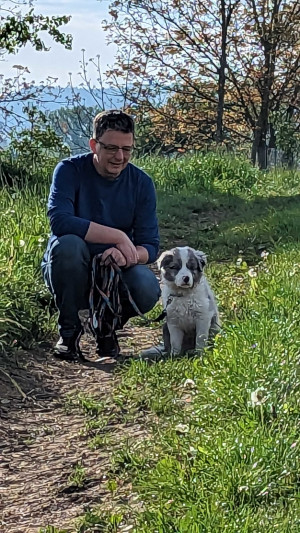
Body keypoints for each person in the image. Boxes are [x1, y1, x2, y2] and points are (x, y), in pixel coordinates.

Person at [41, 109, 160, 360]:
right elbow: (59, 221)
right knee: (68, 246)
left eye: (127, 149)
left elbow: (150, 246)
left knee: (148, 286)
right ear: (94, 145)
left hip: (114, 272)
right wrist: (118, 236)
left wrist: (126, 254)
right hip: (70, 267)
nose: (120, 156)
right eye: (111, 148)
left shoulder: (141, 183)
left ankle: (107, 327)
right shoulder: (69, 170)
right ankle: (69, 332)